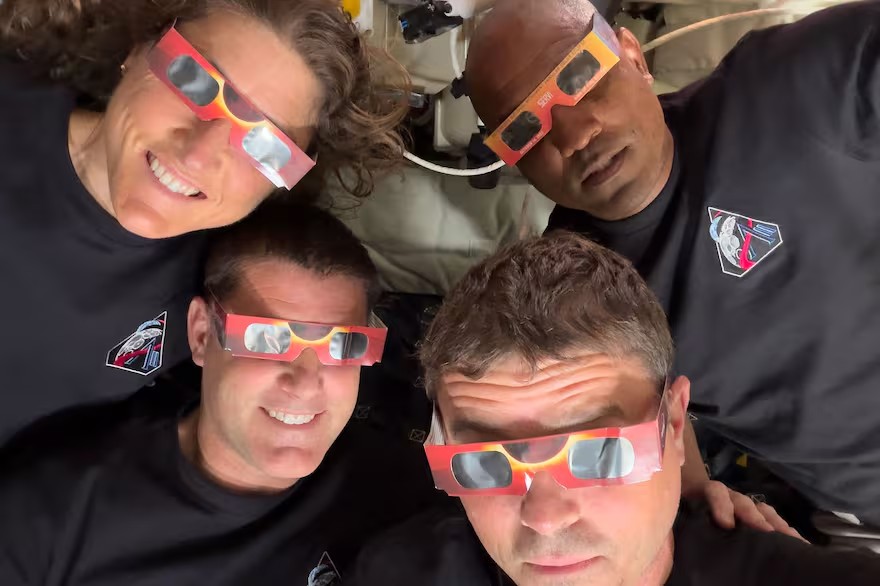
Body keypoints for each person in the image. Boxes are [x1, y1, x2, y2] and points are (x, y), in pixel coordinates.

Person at [463, 0, 880, 529]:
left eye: (579, 77)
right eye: (525, 129)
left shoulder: (786, 89)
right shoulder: (573, 293)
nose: (574, 135)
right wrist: (697, 491)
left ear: (632, 56)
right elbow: (648, 419)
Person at [351, 232, 880, 586]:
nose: (545, 518)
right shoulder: (398, 573)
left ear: (675, 425)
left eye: (600, 453)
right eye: (485, 462)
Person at [0, 0, 408, 443]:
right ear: (138, 50)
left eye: (265, 145)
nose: (198, 154)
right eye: (191, 82)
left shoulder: (221, 298)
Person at [0, 200, 442, 585]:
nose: (305, 381)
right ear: (200, 334)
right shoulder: (53, 510)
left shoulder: (409, 502)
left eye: (343, 346)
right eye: (267, 339)